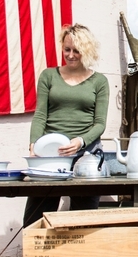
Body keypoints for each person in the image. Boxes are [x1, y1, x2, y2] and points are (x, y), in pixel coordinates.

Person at [23, 23, 110, 226]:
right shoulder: (49, 76)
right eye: (67, 49)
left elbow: (100, 124)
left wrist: (80, 141)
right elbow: (40, 115)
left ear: (86, 51)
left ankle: (79, 256)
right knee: (36, 217)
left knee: (83, 219)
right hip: (50, 155)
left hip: (86, 155)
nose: (70, 55)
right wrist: (34, 143)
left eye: (76, 50)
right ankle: (37, 255)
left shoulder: (99, 82)